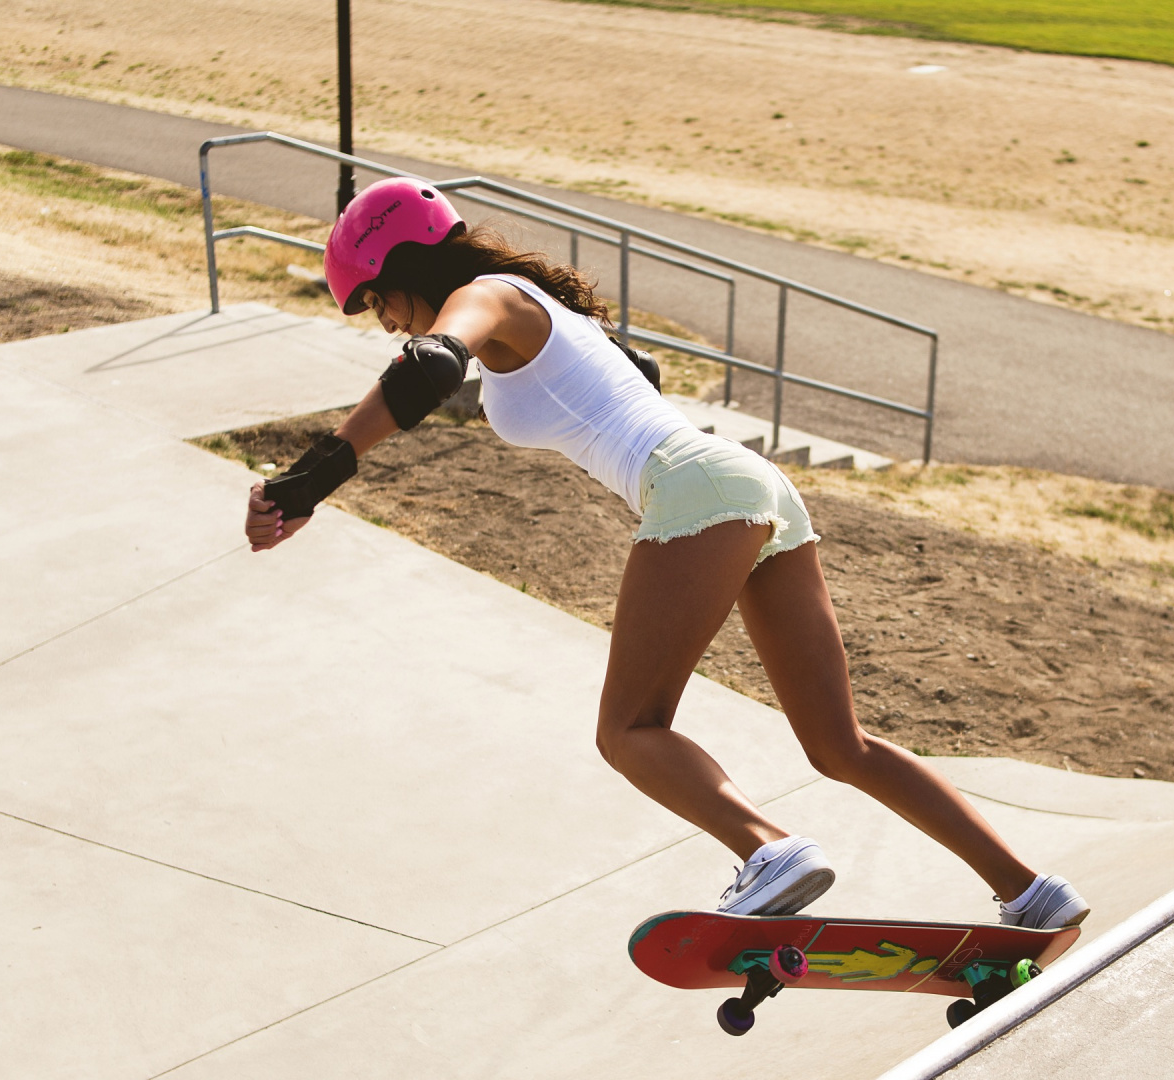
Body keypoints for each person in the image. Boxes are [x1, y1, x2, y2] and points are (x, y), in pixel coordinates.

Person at [244, 176, 1088, 930]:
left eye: (374, 303)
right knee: (840, 745)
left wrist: (308, 481)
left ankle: (769, 850)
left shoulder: (488, 298)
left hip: (695, 489)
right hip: (752, 488)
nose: (384, 322)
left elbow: (428, 365)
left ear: (402, 270)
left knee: (629, 731)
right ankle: (1031, 890)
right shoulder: (543, 308)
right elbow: (629, 374)